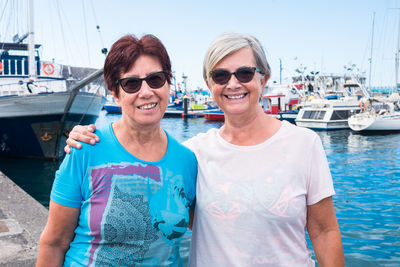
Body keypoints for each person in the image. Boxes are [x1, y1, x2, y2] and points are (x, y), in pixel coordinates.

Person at [65, 33, 344, 266]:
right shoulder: (192, 155)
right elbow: (155, 197)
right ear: (209, 84)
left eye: (245, 73)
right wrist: (85, 138)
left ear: (263, 78)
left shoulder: (303, 144)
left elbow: (324, 230)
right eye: (220, 76)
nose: (233, 83)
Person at [36, 34, 197, 267]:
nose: (146, 91)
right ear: (115, 93)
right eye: (131, 83)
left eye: (156, 79)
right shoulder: (85, 150)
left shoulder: (187, 161)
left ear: (168, 84)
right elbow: (54, 243)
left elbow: (207, 227)